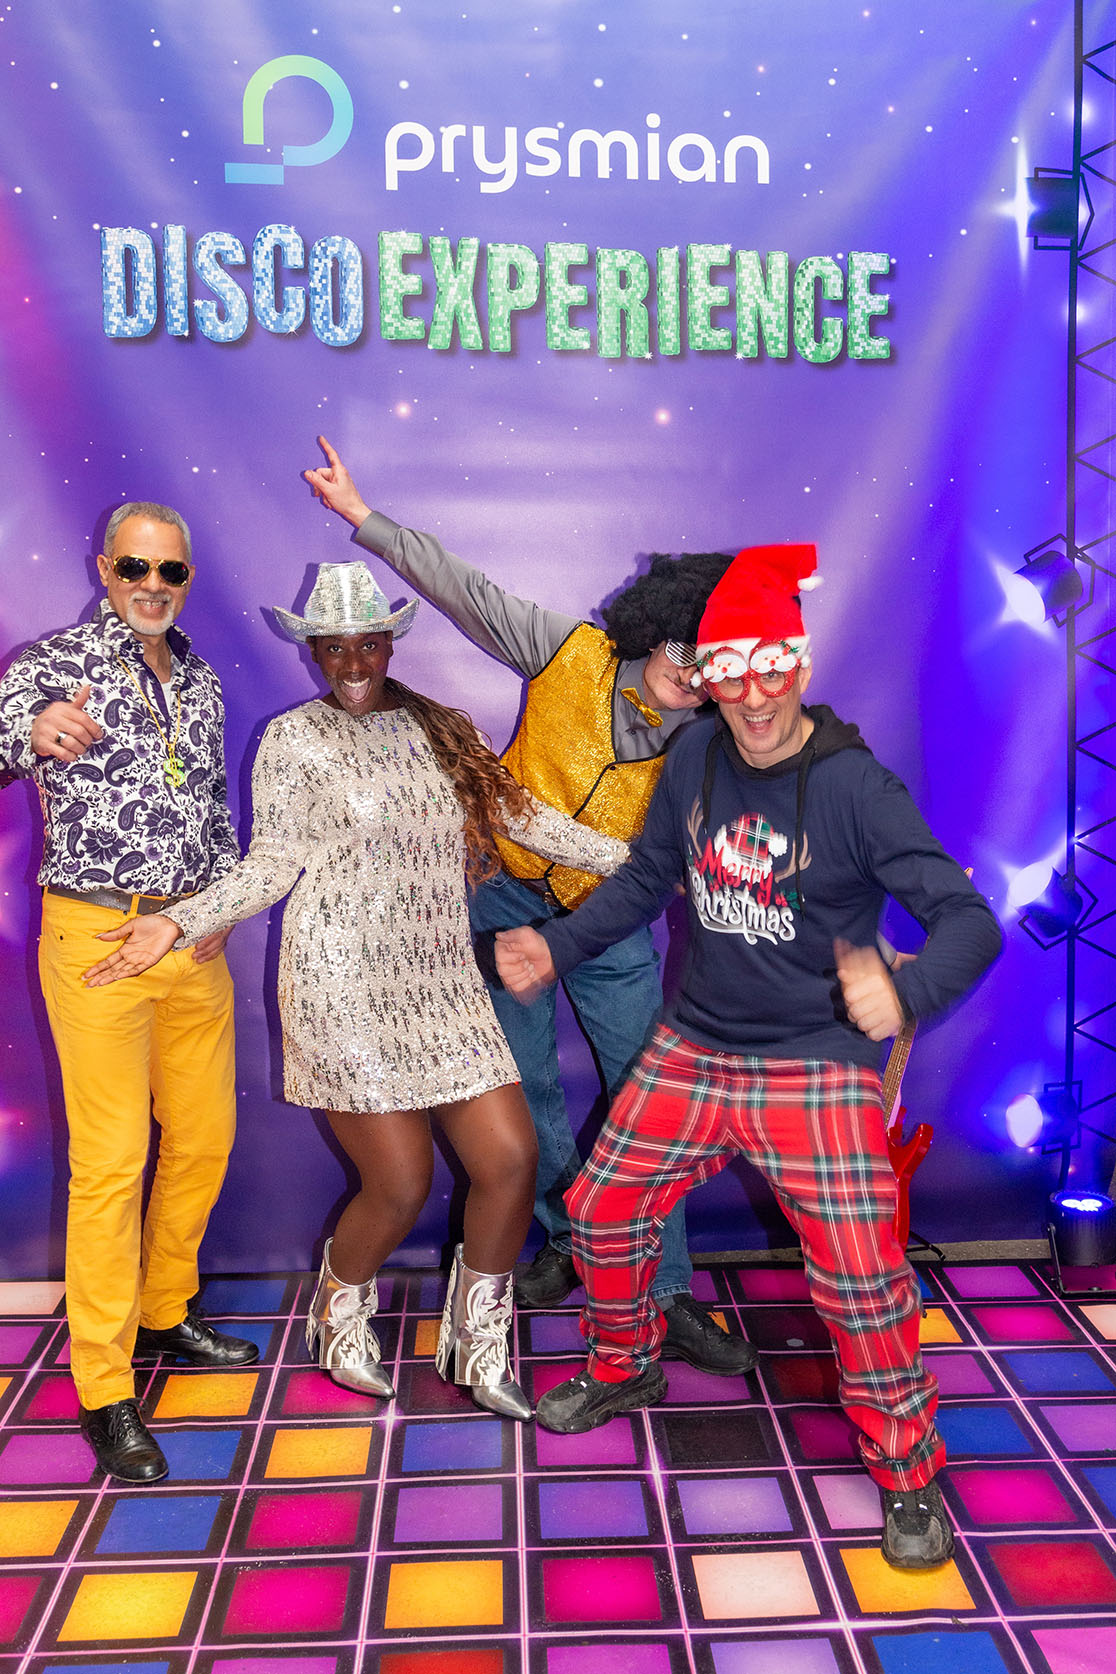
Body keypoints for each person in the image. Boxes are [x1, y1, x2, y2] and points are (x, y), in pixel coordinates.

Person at [493, 542, 1003, 1569]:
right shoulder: (694, 756)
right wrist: (557, 945)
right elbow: (647, 881)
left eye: (773, 667)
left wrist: (902, 994)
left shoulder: (856, 787)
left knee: (860, 1276)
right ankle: (626, 1363)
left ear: (800, 664)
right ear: (710, 677)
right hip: (698, 1044)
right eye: (732, 671)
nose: (756, 696)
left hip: (813, 1062)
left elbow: (969, 921)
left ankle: (907, 1471)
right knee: (601, 1207)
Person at [83, 561, 628, 1423]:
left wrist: (640, 862)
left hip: (442, 983)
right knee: (401, 1185)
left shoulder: (441, 728)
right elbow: (272, 863)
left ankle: (477, 1345)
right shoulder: (293, 739)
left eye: (366, 644)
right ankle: (338, 1315)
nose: (352, 662)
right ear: (314, 652)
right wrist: (179, 921)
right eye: (333, 648)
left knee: (510, 1160)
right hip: (342, 987)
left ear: (390, 643)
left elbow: (523, 818)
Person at [301, 436, 755, 1379]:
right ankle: (564, 1240)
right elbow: (462, 588)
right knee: (526, 1091)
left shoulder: (715, 739)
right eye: (685, 650)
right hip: (501, 901)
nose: (691, 674)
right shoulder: (568, 652)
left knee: (646, 1101)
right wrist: (362, 518)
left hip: (611, 921)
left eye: (713, 664)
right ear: (657, 629)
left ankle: (667, 1290)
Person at [0, 502, 258, 1485]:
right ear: (105, 569)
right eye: (136, 568)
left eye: (170, 571)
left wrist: (221, 903)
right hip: (97, 940)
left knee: (202, 1140)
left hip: (192, 941)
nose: (153, 586)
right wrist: (25, 731)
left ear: (186, 578)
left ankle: (164, 1311)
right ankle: (105, 1387)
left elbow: (213, 808)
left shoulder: (201, 679)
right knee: (110, 1167)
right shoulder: (54, 664)